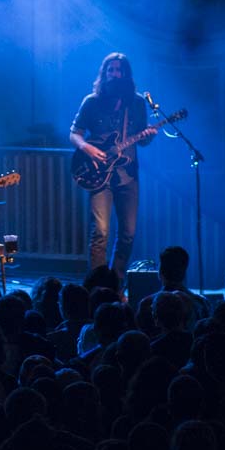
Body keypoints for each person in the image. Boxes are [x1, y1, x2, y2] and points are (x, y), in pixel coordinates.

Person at [70, 53, 157, 282]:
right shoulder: (92, 101)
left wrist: (148, 136)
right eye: (110, 70)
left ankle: (115, 284)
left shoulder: (137, 103)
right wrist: (87, 148)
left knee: (128, 234)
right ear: (104, 73)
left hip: (128, 175)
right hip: (99, 175)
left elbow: (143, 141)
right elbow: (74, 133)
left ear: (126, 74)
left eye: (119, 70)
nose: (114, 74)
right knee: (100, 233)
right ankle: (99, 286)